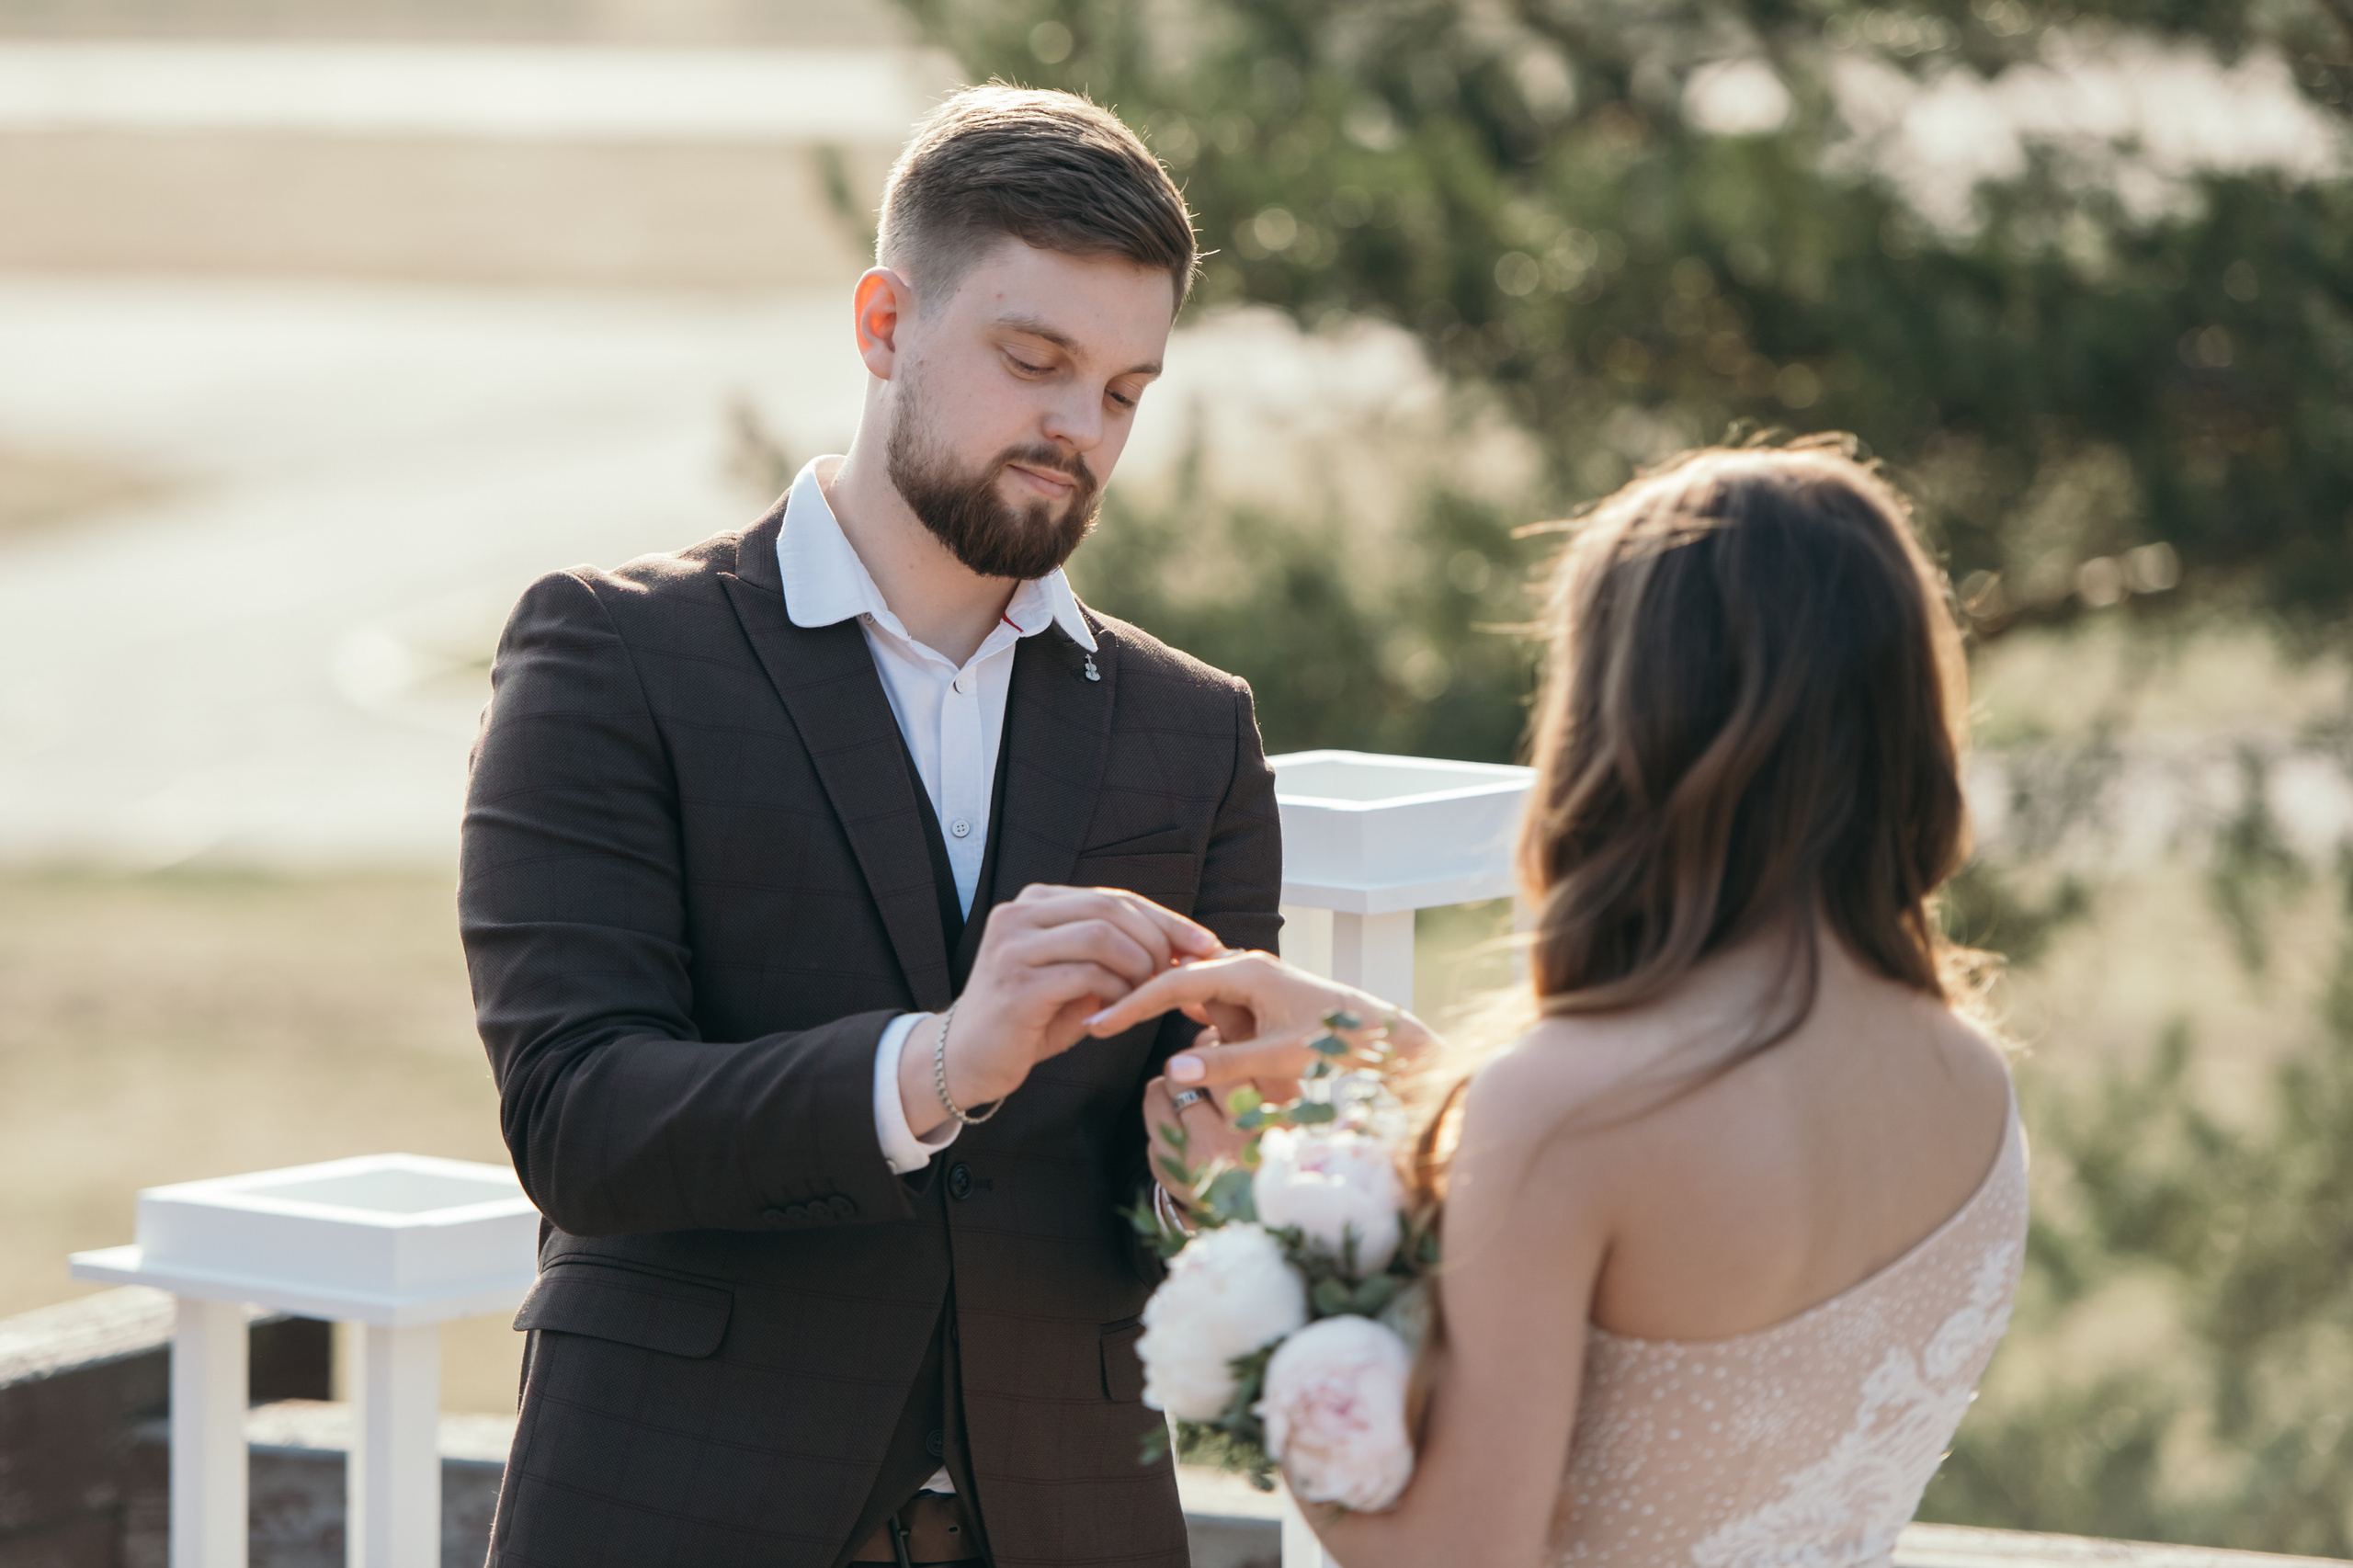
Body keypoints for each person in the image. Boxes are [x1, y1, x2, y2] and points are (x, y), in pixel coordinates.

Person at [460, 87, 1282, 1568]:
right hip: (678, 1511)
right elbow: (578, 1117)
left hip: (1070, 1522)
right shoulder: (613, 653)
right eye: (1034, 361)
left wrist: (1221, 1160)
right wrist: (938, 1062)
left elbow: (1182, 1202)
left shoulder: (1196, 725)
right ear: (884, 321)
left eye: (1122, 391)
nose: (1077, 428)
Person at [1087, 438, 2025, 1566]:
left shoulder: (1564, 1115)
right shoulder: (1968, 1075)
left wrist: (1251, 1244)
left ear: (1626, 716)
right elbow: (1688, 1259)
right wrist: (1394, 1059)